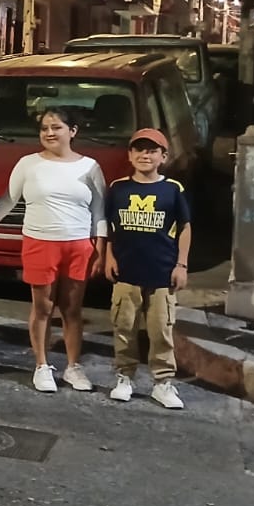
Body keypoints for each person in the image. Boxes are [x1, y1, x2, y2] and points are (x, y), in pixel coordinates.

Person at [0, 106, 108, 393]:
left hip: (78, 245)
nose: (49, 133)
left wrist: (100, 247)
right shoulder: (28, 164)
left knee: (72, 309)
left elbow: (99, 210)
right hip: (40, 242)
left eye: (57, 127)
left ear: (73, 131)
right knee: (43, 308)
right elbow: (9, 199)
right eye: (45, 128)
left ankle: (74, 367)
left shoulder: (90, 167)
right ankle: (41, 366)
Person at [99, 128, 193, 409]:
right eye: (139, 150)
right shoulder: (118, 188)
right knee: (124, 327)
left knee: (161, 331)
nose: (144, 155)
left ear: (163, 157)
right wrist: (108, 256)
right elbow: (109, 228)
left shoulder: (172, 189)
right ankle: (124, 377)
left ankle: (162, 383)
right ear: (130, 155)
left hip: (162, 273)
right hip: (126, 272)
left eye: (152, 150)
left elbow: (185, 227)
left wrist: (182, 264)